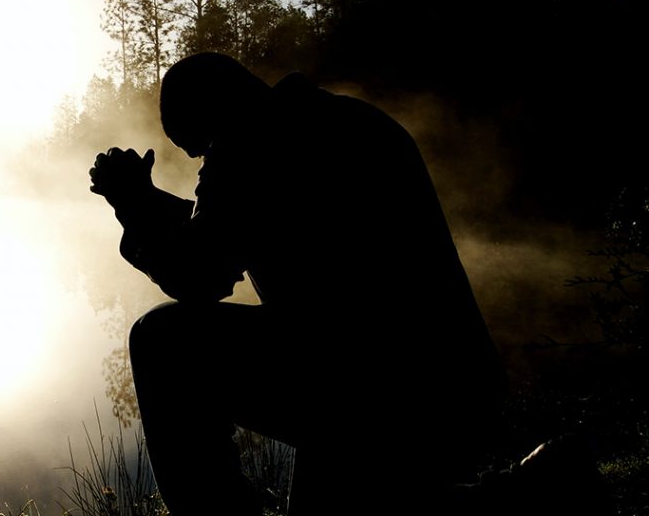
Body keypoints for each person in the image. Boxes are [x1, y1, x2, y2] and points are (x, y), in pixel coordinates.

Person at [88, 52, 507, 515]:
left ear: (215, 112)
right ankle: (530, 487)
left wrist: (132, 206)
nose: (206, 162)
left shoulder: (251, 143)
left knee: (162, 341)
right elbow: (236, 221)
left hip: (370, 387)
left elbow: (198, 273)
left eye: (203, 147)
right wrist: (149, 202)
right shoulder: (340, 119)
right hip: (445, 385)